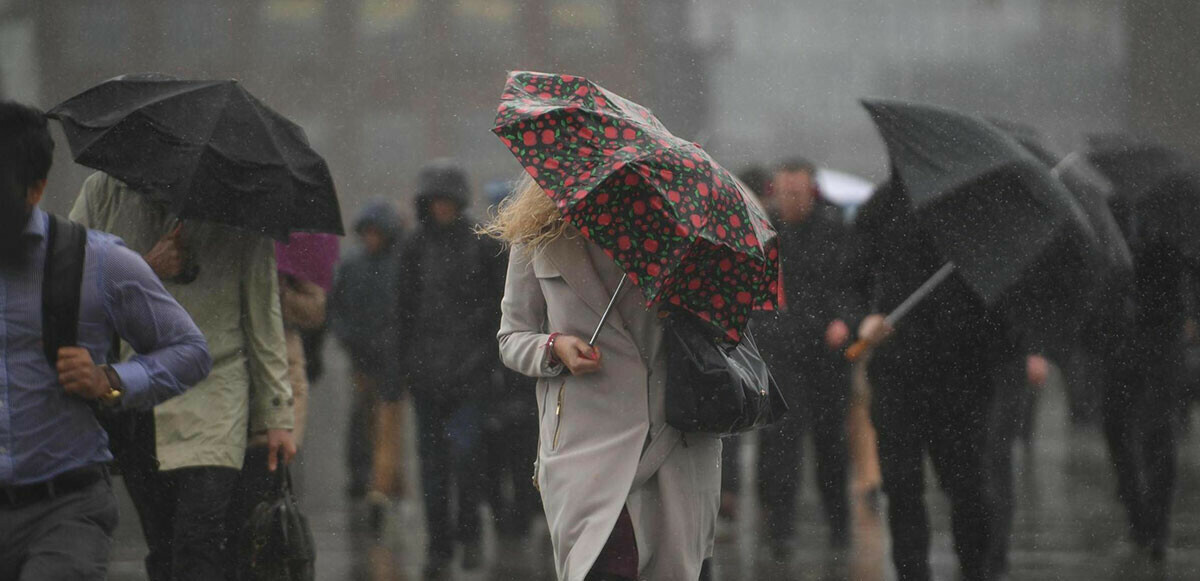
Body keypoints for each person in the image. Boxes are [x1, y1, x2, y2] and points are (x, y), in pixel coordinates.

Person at [0, 100, 211, 580]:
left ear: (36, 190)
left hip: (64, 511)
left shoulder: (96, 262)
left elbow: (190, 351)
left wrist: (109, 379)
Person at [486, 173, 721, 581]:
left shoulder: (672, 229)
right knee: (600, 568)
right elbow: (511, 337)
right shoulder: (536, 233)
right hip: (583, 445)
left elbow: (714, 330)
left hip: (667, 437)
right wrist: (554, 347)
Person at [70, 171, 296, 581]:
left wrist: (276, 415)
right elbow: (67, 280)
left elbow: (263, 315)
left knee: (200, 537)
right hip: (138, 391)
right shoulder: (104, 191)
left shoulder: (241, 199)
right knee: (163, 543)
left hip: (216, 392)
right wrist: (143, 267)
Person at [850, 180, 1039, 581]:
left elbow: (1009, 299)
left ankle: (977, 570)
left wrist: (1006, 347)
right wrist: (862, 319)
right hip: (899, 375)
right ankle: (911, 573)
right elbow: (850, 279)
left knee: (969, 489)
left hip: (965, 378)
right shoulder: (883, 207)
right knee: (902, 489)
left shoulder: (982, 212)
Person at [397, 160, 505, 578]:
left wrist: (485, 361)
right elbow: (402, 312)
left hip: (470, 375)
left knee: (466, 460)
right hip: (426, 377)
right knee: (432, 468)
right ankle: (439, 545)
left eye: (447, 201)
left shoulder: (482, 244)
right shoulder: (412, 248)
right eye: (435, 201)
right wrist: (402, 369)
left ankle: (469, 534)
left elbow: (498, 310)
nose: (441, 208)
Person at [753, 157, 864, 555]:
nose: (790, 201)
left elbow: (854, 284)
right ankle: (779, 530)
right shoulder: (764, 230)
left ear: (811, 192)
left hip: (827, 353)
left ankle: (839, 528)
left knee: (831, 447)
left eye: (797, 193)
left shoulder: (836, 230)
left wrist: (845, 321)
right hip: (781, 352)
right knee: (780, 445)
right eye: (784, 193)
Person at [329, 200, 407, 530]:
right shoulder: (352, 266)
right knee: (364, 419)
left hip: (392, 361)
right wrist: (351, 340)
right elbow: (337, 309)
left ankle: (383, 485)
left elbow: (405, 312)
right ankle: (370, 481)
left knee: (387, 424)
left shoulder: (400, 265)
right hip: (362, 360)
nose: (372, 239)